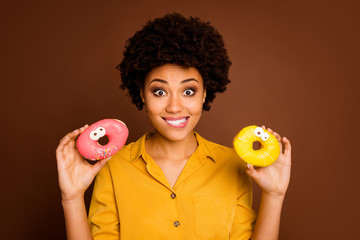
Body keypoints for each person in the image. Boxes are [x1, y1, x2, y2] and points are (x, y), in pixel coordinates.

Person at [56, 13, 291, 240]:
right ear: (143, 95)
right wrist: (72, 197)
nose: (175, 107)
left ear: (204, 95)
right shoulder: (112, 166)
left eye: (188, 91)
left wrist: (274, 195)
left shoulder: (234, 165)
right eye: (159, 91)